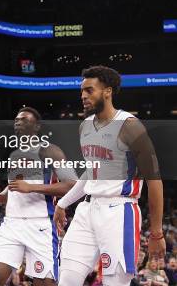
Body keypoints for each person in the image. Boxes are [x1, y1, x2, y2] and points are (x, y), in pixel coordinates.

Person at [54, 66, 165, 286]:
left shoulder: (130, 126)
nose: (83, 96)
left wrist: (157, 232)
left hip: (118, 212)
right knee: (66, 280)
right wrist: (63, 204)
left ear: (108, 91)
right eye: (81, 91)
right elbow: (92, 172)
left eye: (89, 90)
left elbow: (154, 179)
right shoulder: (84, 126)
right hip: (87, 210)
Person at [0, 107, 77, 286]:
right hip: (12, 223)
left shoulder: (50, 151)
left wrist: (32, 188)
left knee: (44, 283)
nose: (18, 122)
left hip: (40, 225)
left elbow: (72, 184)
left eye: (24, 120)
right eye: (16, 120)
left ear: (37, 126)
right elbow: (13, 188)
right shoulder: (14, 155)